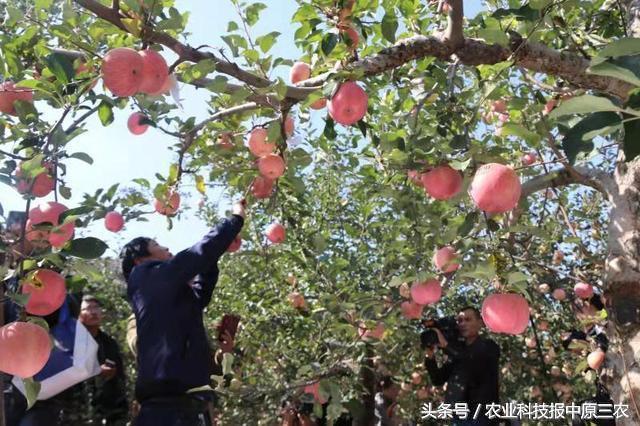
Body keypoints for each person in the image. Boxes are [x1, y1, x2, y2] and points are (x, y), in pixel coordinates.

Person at [120, 200, 246, 426]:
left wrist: (217, 249)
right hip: (165, 406)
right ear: (140, 260)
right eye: (157, 245)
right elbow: (192, 259)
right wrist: (234, 221)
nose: (167, 249)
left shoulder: (169, 297)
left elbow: (201, 292)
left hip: (190, 405)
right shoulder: (143, 276)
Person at [424, 306, 500, 426]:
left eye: (468, 320)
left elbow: (470, 360)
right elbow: (438, 380)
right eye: (459, 321)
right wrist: (430, 356)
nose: (462, 324)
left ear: (480, 323)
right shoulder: (456, 354)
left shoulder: (489, 347)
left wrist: (446, 345)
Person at [76, 294, 129, 425]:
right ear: (79, 314)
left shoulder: (109, 343)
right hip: (78, 413)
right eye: (88, 308)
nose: (93, 312)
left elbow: (120, 379)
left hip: (107, 413)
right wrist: (97, 371)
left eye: (96, 308)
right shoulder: (73, 340)